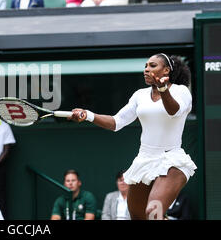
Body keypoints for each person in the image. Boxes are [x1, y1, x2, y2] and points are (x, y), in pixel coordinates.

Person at [69, 54, 197, 220]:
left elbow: (173, 111)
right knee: (138, 217)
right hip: (144, 160)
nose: (146, 69)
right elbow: (116, 122)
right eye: (146, 66)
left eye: (152, 65)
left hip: (172, 160)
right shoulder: (140, 95)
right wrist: (88, 115)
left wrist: (163, 89)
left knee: (153, 212)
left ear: (166, 70)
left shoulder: (181, 91)